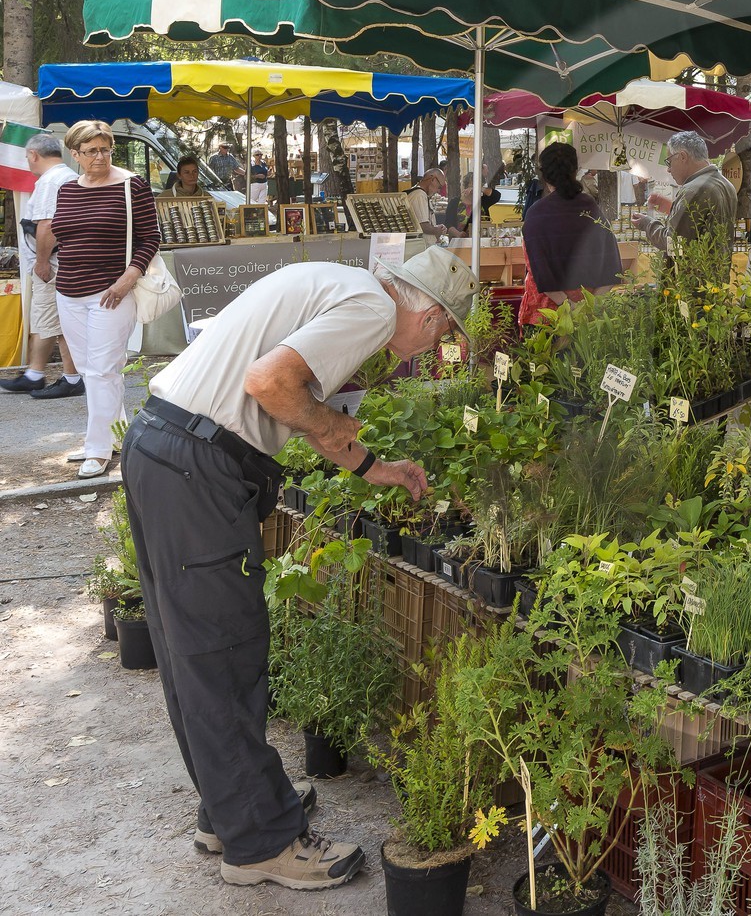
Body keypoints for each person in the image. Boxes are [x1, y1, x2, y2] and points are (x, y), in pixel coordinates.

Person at [122, 246, 476, 892]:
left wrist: (375, 467)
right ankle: (261, 842)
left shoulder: (339, 283)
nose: (437, 344)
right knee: (224, 653)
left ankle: (230, 811)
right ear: (427, 317)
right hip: (199, 470)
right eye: (446, 331)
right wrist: (338, 422)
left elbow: (288, 396)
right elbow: (270, 385)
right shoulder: (371, 309)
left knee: (194, 653)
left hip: (166, 451)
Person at [50, 120, 160, 479]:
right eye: (91, 151)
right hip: (68, 291)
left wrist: (129, 278)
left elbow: (151, 237)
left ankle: (97, 450)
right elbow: (64, 236)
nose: (100, 156)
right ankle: (114, 435)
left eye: (105, 149)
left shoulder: (131, 186)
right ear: (76, 154)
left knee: (101, 370)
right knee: (90, 370)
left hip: (111, 292)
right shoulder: (67, 189)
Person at [0, 133, 83, 402]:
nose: (28, 162)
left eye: (27, 157)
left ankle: (71, 379)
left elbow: (47, 225)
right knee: (49, 321)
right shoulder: (65, 176)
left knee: (57, 322)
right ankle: (36, 374)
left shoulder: (52, 181)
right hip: (58, 261)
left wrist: (42, 262)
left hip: (54, 263)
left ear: (34, 155)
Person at [518, 142, 623, 325]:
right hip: (590, 318)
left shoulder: (536, 214)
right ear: (575, 170)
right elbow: (612, 266)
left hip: (546, 319)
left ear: (545, 176)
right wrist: (588, 309)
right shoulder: (591, 208)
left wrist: (570, 309)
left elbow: (541, 274)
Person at [631, 130, 737, 254]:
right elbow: (701, 226)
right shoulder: (725, 184)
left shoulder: (693, 189)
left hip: (693, 272)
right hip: (715, 270)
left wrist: (647, 223)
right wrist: (673, 208)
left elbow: (674, 245)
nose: (668, 170)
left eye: (669, 162)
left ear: (683, 157)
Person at [403, 167, 460, 238]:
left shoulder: (419, 193)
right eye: (439, 187)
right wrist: (438, 230)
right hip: (422, 246)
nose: (439, 191)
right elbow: (423, 226)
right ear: (432, 179)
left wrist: (436, 227)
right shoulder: (419, 195)